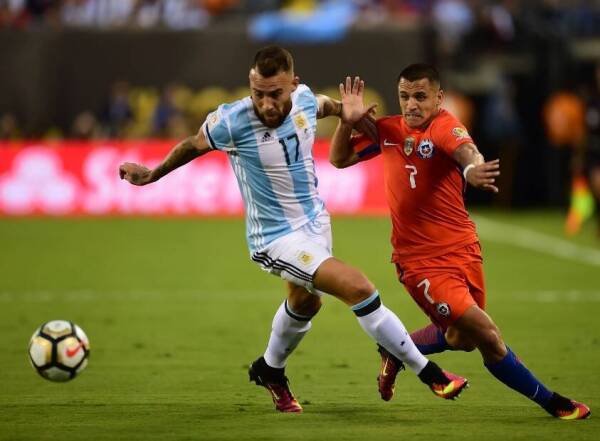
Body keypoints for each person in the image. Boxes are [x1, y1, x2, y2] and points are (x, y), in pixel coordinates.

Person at [119, 47, 468, 413]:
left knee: (306, 301)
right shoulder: (231, 121)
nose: (267, 105)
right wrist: (152, 174)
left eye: (275, 94)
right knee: (358, 287)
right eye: (259, 94)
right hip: (274, 239)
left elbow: (327, 106)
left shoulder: (303, 100)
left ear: (293, 85)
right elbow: (193, 145)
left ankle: (269, 369)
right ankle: (430, 374)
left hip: (316, 224)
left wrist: (349, 115)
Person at [329, 65, 591, 420]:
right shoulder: (388, 130)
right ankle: (551, 401)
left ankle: (395, 347)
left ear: (439, 98)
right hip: (420, 262)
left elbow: (466, 151)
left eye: (421, 97)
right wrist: (347, 121)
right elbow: (339, 159)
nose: (412, 105)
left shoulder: (444, 126)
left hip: (463, 249)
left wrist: (472, 170)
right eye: (405, 96)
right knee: (487, 335)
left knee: (460, 338)